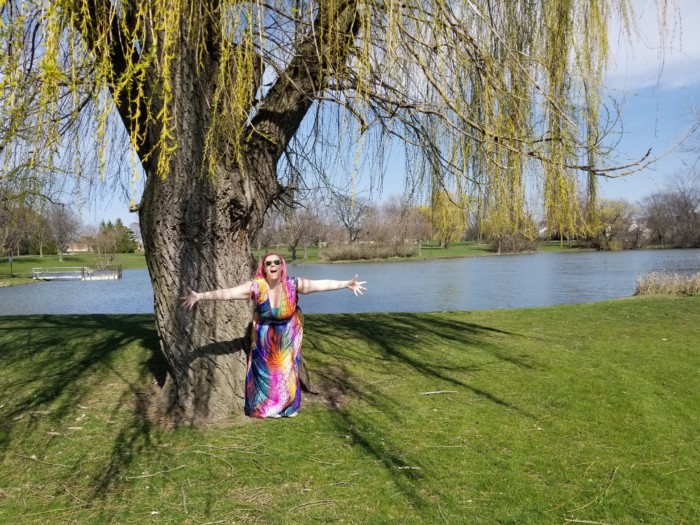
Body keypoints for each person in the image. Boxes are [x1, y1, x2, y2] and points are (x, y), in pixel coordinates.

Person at [180, 253, 367, 419]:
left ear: (282, 265)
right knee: (265, 373)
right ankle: (266, 407)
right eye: (268, 263)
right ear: (264, 268)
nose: (273, 266)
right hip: (264, 337)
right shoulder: (256, 287)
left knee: (286, 372)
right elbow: (228, 293)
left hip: (287, 334)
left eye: (276, 262)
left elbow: (320, 285)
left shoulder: (293, 284)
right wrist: (200, 296)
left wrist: (346, 284)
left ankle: (287, 407)